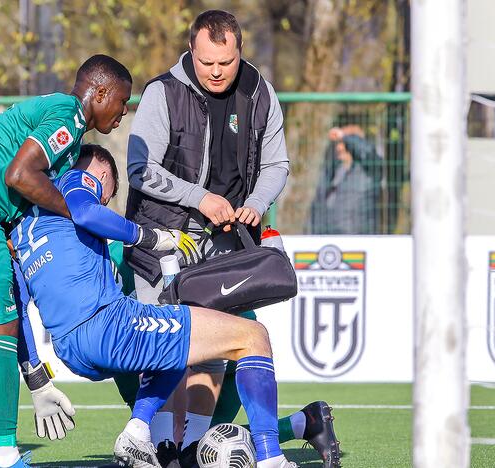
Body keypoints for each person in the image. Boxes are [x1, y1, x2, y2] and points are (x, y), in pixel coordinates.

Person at [0, 56, 170, 468]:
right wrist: (72, 211)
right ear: (99, 93)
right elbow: (19, 175)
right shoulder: (68, 115)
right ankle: (5, 454)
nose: (123, 113)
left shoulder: (52, 111)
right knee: (0, 324)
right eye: (121, 102)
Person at [124, 10, 340, 468]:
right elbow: (140, 171)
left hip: (225, 247)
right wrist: (201, 198)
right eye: (206, 62)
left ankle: (184, 451)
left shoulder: (261, 92)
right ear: (191, 53)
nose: (217, 71)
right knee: (163, 344)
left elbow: (277, 165)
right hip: (161, 239)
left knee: (211, 348)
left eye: (226, 61)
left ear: (239, 52)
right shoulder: (163, 93)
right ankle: (160, 443)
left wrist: (257, 203)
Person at [11, 144, 296, 468]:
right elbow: (87, 212)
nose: (103, 201)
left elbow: (16, 307)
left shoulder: (21, 225)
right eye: (107, 195)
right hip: (107, 325)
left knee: (172, 345)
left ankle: (141, 433)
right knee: (252, 335)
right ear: (102, 173)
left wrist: (35, 377)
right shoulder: (78, 178)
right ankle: (272, 460)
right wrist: (150, 237)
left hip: (70, 351)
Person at [308, 123, 382, 234]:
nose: (338, 147)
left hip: (358, 237)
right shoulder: (334, 170)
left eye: (342, 143)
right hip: (329, 235)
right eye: (338, 143)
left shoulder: (369, 169)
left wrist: (344, 136)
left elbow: (366, 150)